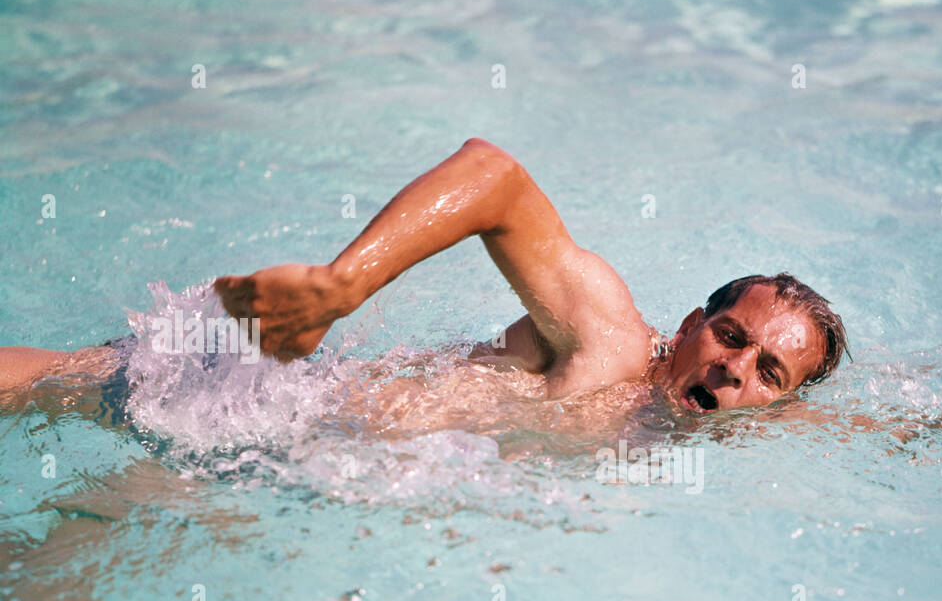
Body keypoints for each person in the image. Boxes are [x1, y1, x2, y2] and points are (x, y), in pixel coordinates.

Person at [0, 138, 850, 420]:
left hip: (256, 461)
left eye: (767, 373)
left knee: (39, 592)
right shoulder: (614, 341)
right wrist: (341, 288)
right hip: (257, 401)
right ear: (694, 321)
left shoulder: (710, 430)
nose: (734, 369)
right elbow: (493, 177)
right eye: (732, 337)